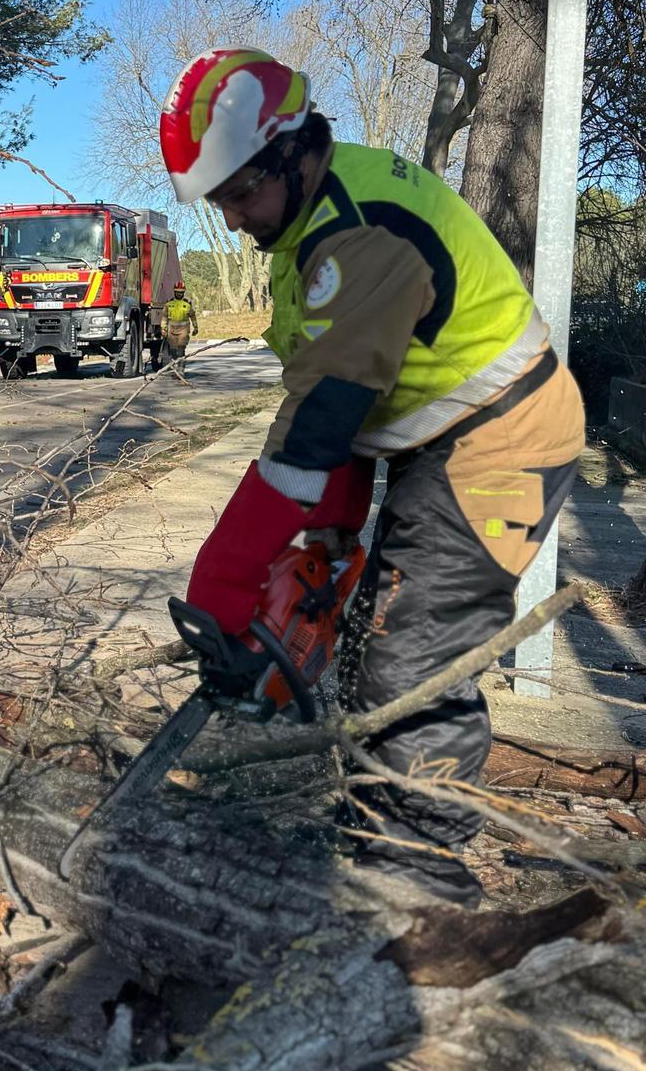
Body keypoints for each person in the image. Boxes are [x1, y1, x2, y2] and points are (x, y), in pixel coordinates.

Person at [159, 48, 585, 903]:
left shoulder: (357, 232)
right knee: (366, 635)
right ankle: (375, 825)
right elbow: (330, 408)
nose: (236, 218)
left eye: (241, 193)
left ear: (293, 149)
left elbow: (317, 433)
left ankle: (419, 873)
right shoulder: (304, 227)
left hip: (504, 438)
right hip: (436, 440)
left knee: (414, 648)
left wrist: (230, 580)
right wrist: (329, 538)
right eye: (221, 201)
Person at [161, 281, 199, 372]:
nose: (179, 294)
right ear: (174, 292)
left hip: (183, 330)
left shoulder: (187, 305)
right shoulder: (169, 304)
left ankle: (181, 369)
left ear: (183, 293)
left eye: (181, 292)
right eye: (177, 292)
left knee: (181, 350)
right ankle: (175, 366)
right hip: (172, 330)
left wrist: (195, 327)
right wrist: (163, 329)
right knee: (173, 350)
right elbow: (164, 317)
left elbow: (193, 316)